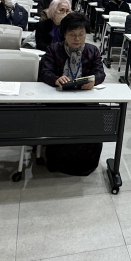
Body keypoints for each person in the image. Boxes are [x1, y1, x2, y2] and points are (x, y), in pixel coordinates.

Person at [39, 12, 106, 175]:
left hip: (85, 99)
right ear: (64, 34)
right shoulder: (54, 49)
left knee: (93, 121)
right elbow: (44, 72)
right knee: (60, 121)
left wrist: (94, 81)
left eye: (81, 34)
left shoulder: (92, 50)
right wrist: (56, 79)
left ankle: (86, 164)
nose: (77, 39)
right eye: (72, 35)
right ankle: (57, 162)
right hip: (58, 100)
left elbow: (100, 73)